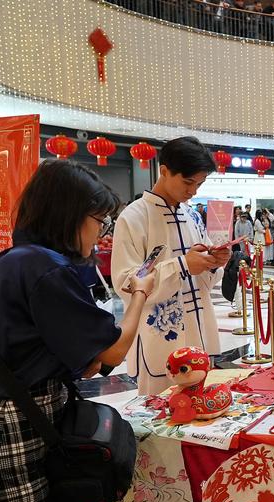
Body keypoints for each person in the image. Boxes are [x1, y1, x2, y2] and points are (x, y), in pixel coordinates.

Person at [0, 161, 155, 502]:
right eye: (98, 220)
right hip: (16, 430)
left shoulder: (14, 259)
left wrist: (86, 358)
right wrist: (139, 295)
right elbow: (112, 351)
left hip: (4, 414)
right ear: (69, 214)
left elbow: (71, 354)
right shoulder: (47, 269)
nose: (100, 232)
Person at [112, 136, 231, 395]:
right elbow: (126, 282)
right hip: (159, 334)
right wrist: (182, 265)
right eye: (188, 182)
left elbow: (204, 274)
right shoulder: (134, 217)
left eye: (199, 184)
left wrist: (213, 262)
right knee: (160, 411)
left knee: (201, 409)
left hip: (199, 329)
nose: (193, 191)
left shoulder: (192, 216)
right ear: (164, 171)